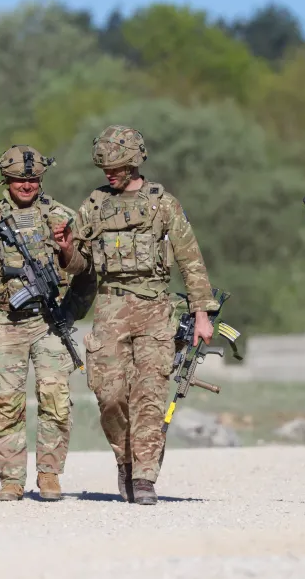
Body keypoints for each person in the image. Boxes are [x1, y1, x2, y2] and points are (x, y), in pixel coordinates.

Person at [54, 125, 218, 505]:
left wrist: (202, 313)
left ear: (136, 162)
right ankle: (124, 460)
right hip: (110, 307)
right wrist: (65, 249)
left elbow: (190, 259)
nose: (110, 173)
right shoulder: (95, 204)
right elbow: (78, 266)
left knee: (149, 394)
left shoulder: (163, 203)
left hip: (155, 308)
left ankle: (144, 476)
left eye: (118, 166)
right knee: (109, 394)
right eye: (105, 167)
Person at [0, 145, 93, 502]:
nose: (27, 185)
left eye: (33, 179)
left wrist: (67, 258)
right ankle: (11, 480)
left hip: (49, 321)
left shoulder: (62, 218)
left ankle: (49, 475)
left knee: (55, 397)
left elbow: (85, 270)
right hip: (3, 320)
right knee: (2, 402)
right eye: (20, 179)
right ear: (7, 179)